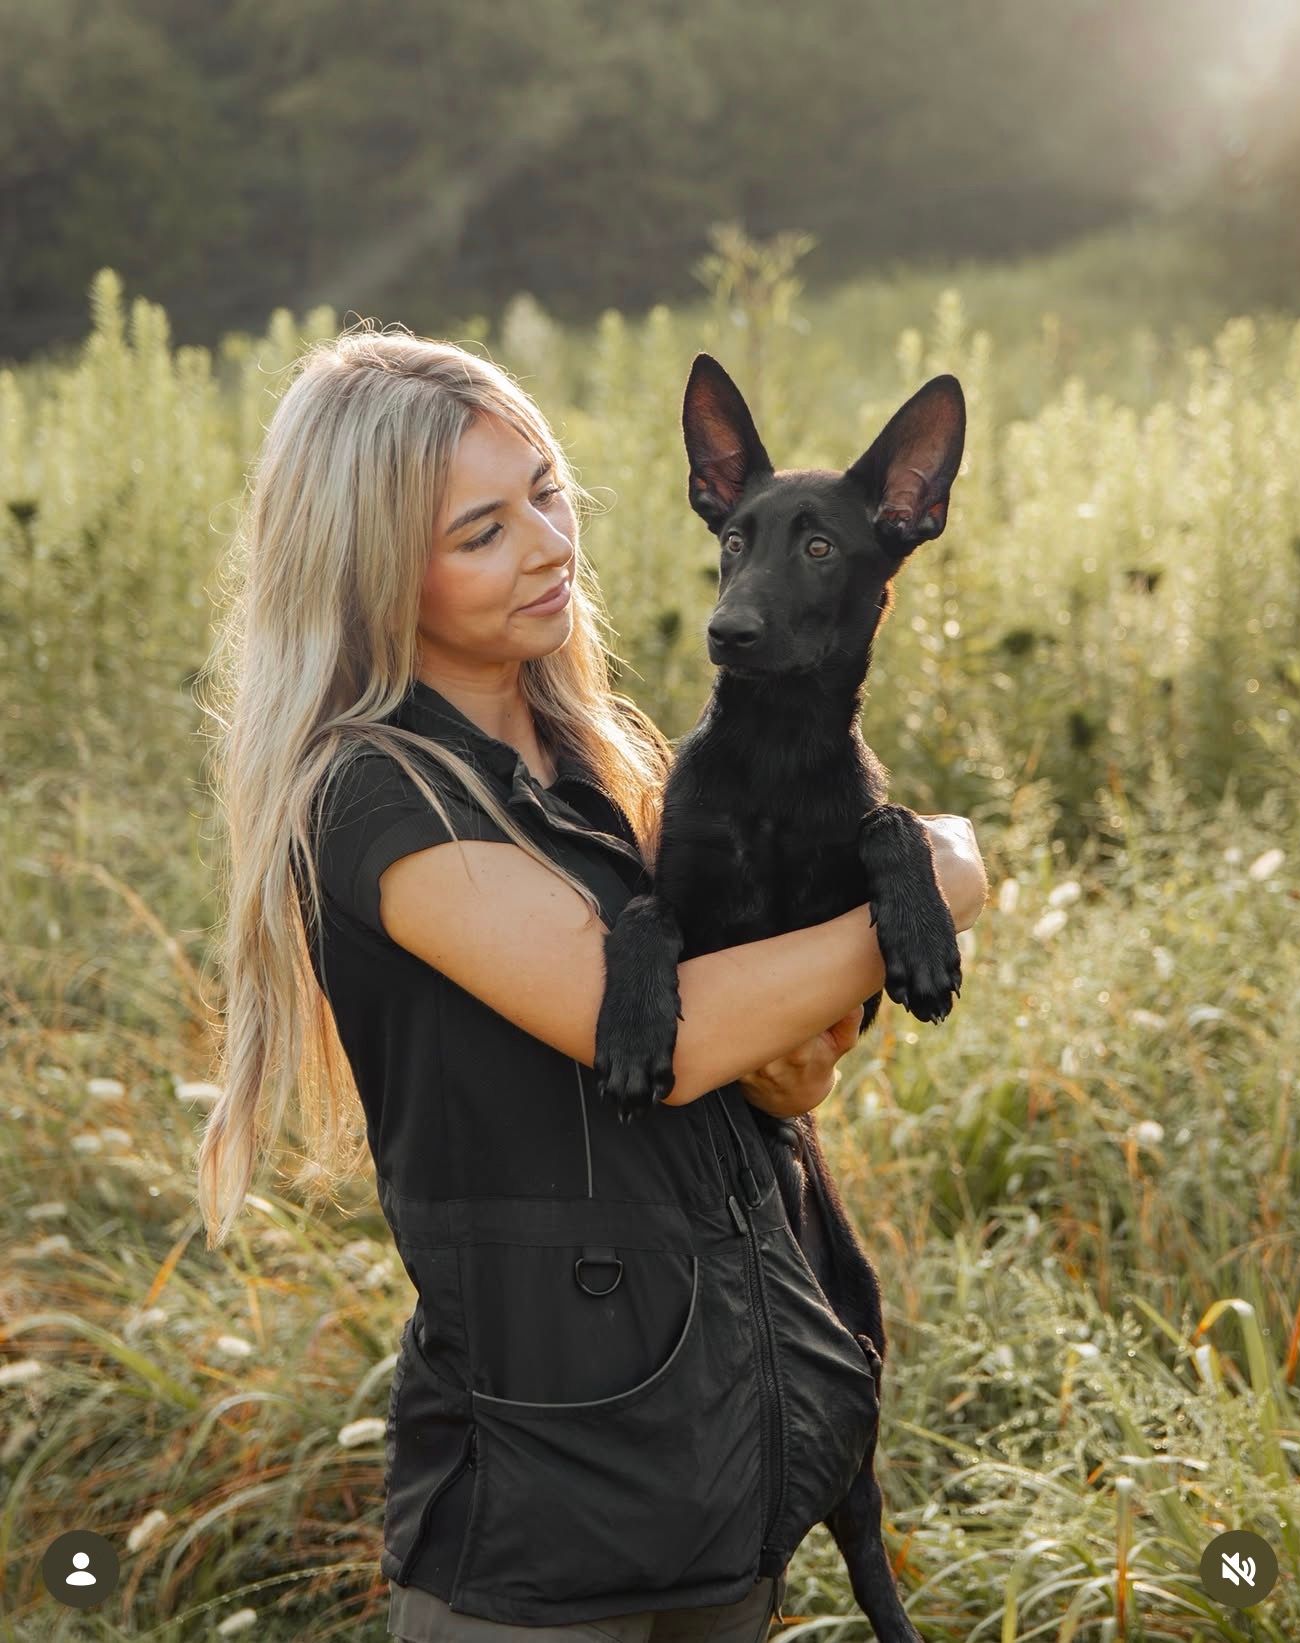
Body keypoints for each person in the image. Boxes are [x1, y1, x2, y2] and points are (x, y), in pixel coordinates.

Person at [194, 325, 988, 1643]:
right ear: (371, 570)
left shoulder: (613, 765)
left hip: (724, 1458)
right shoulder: (378, 801)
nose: (551, 547)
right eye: (482, 531)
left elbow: (778, 1060)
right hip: (540, 1519)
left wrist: (815, 1041)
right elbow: (673, 1048)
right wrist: (938, 879)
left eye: (549, 495)